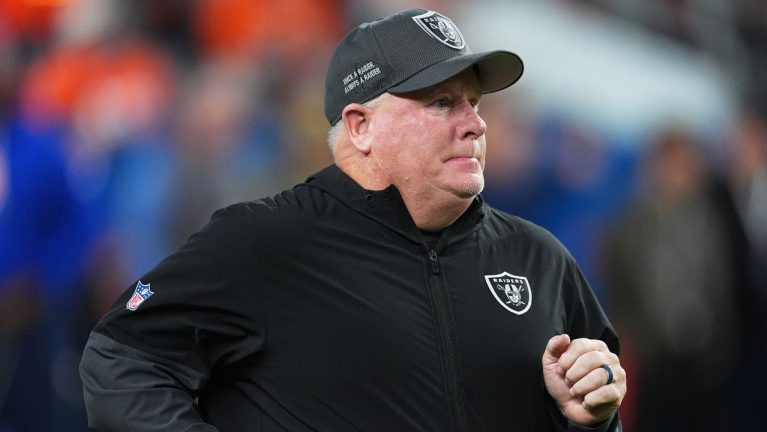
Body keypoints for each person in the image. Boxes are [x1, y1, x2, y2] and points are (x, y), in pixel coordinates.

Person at [80, 8, 626, 431]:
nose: (476, 124)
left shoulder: (537, 258)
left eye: (474, 102)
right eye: (441, 103)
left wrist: (589, 419)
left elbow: (594, 411)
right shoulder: (264, 240)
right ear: (361, 127)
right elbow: (120, 359)